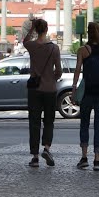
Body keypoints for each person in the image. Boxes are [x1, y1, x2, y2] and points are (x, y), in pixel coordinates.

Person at [72, 21, 99, 171]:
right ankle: (97, 160)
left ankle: (84, 157)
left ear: (88, 33)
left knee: (84, 123)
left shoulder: (83, 50)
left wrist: (74, 89)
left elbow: (77, 70)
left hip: (87, 92)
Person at [23, 16, 62, 168]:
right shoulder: (54, 48)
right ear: (46, 30)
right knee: (49, 121)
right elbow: (58, 70)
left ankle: (35, 156)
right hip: (50, 89)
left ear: (37, 30)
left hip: (34, 89)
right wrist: (52, 78)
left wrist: (32, 28)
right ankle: (46, 148)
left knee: (34, 122)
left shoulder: (32, 46)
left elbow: (24, 41)